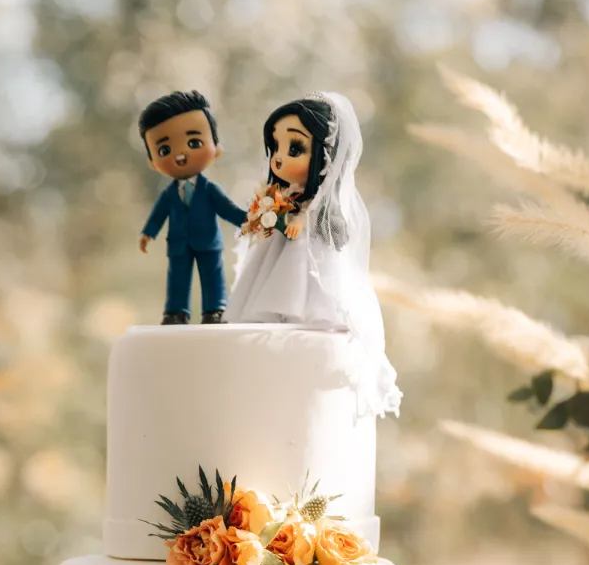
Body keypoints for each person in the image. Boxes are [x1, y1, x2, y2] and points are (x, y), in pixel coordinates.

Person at [226, 93, 400, 416]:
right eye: (275, 148)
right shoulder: (285, 196)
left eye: (294, 148)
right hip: (279, 255)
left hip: (307, 263)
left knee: (300, 291)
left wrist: (302, 220)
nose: (278, 159)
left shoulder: (326, 207)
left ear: (325, 154)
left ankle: (300, 315)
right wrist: (270, 219)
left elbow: (328, 230)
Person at [138, 90, 248, 325]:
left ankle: (215, 310)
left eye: (194, 142)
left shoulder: (210, 190)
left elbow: (227, 209)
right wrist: (148, 233)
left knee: (212, 276)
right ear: (153, 163)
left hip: (208, 241)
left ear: (216, 148)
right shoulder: (168, 195)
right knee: (177, 278)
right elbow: (158, 215)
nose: (180, 154)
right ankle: (175, 312)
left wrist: (249, 222)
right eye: (164, 150)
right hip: (178, 243)